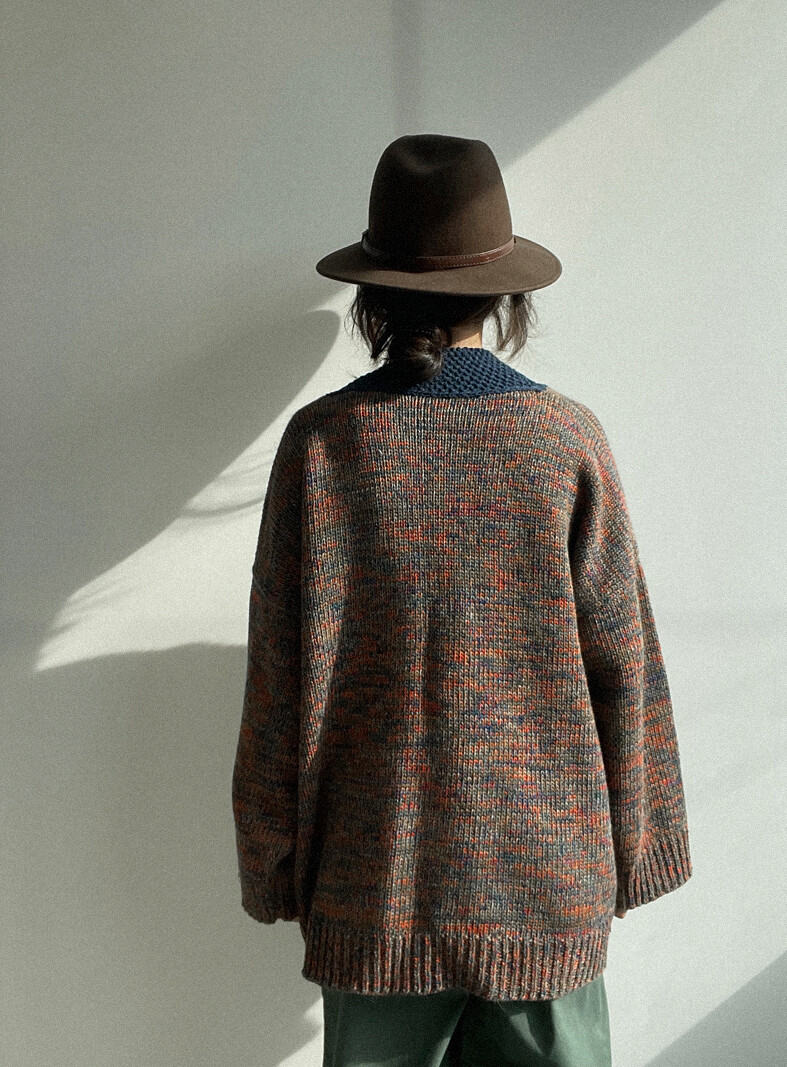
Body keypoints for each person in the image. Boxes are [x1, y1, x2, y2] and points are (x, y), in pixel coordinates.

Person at [232, 134, 692, 1066]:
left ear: (373, 296)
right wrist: (642, 844)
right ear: (507, 295)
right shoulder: (565, 440)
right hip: (546, 890)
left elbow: (280, 679)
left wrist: (271, 858)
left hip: (374, 891)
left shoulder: (323, 445)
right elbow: (625, 663)